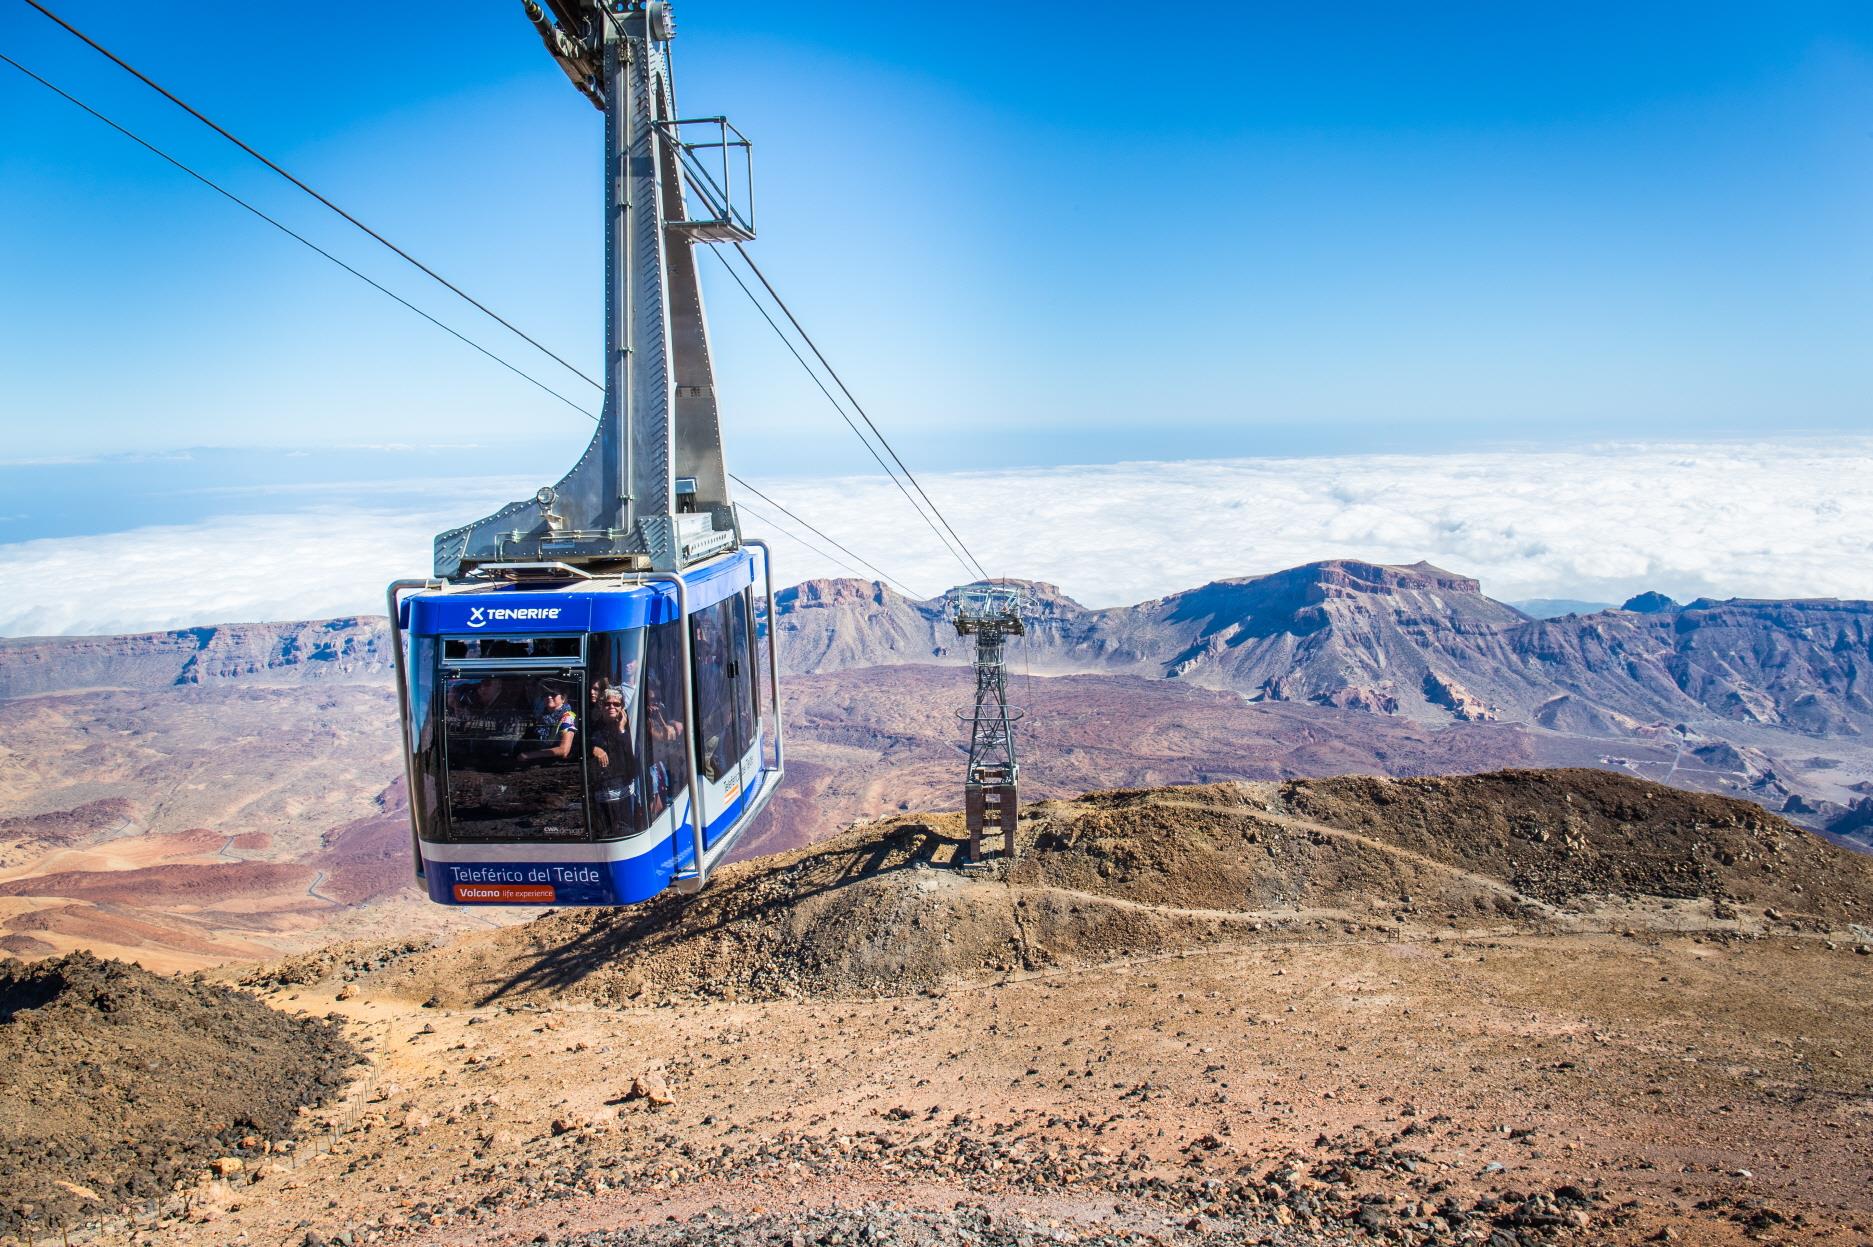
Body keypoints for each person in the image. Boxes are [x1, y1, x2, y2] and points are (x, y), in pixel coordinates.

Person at [588, 686, 637, 834]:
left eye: (616, 704)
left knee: (625, 832)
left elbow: (633, 758)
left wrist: (621, 729)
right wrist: (593, 749)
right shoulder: (592, 728)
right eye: (608, 704)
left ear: (622, 708)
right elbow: (578, 745)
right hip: (600, 793)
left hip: (623, 795)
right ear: (601, 706)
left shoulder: (629, 728)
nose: (612, 707)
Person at [518, 683, 578, 764]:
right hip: (540, 763)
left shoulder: (568, 717)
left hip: (556, 766)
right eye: (546, 694)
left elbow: (564, 750)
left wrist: (529, 755)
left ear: (563, 698)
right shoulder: (542, 717)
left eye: (554, 694)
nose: (549, 697)